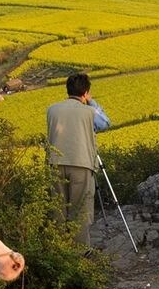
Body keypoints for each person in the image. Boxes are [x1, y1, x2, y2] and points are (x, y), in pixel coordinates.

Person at [47, 73, 111, 246]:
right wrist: (91, 101)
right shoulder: (89, 112)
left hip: (55, 163)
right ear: (86, 92)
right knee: (79, 208)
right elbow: (105, 123)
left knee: (58, 208)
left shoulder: (52, 109)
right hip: (81, 163)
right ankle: (80, 251)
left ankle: (58, 249)